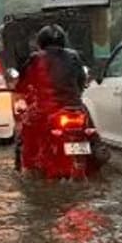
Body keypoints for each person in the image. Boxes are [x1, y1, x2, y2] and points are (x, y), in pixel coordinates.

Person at [14, 25, 89, 163]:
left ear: (40, 42)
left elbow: (22, 85)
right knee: (89, 127)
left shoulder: (35, 59)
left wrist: (21, 92)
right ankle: (96, 149)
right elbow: (81, 81)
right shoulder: (74, 56)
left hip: (46, 109)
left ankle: (28, 165)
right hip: (74, 107)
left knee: (25, 131)